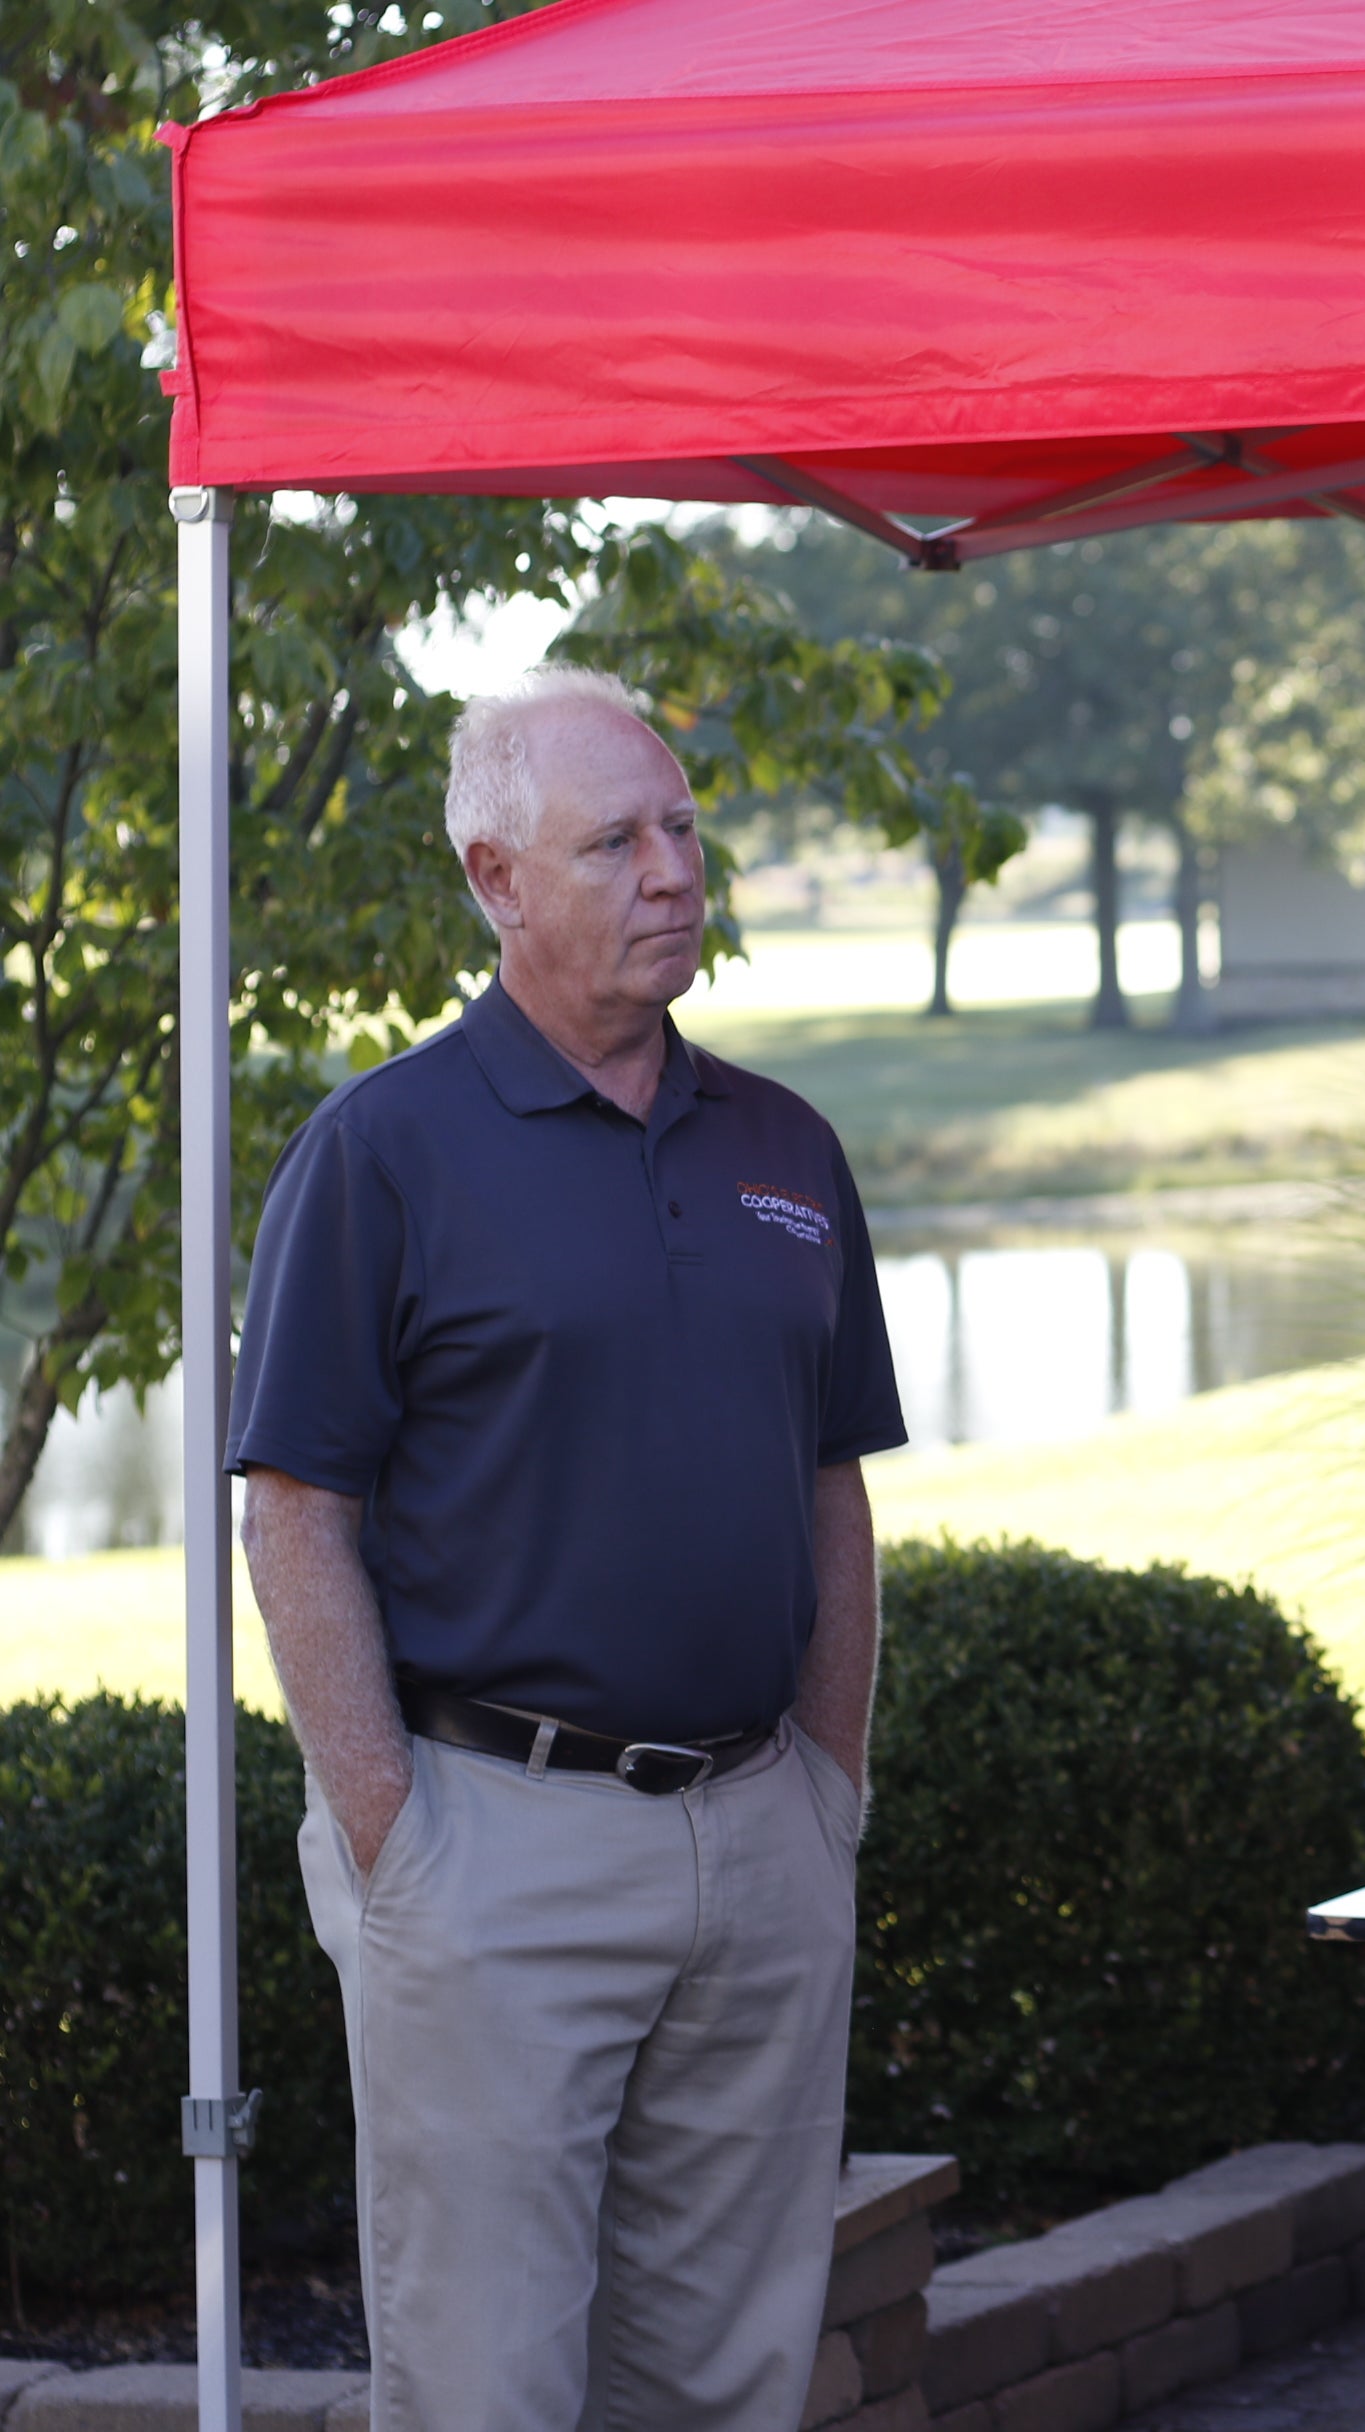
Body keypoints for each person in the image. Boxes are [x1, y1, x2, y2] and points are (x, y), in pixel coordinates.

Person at [232, 664, 905, 2431]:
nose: (676, 870)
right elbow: (296, 1509)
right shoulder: (382, 1151)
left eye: (683, 826)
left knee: (726, 2380)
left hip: (759, 1841)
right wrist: (394, 1836)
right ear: (496, 881)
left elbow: (831, 1483)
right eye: (615, 840)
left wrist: (824, 1794)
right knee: (486, 2386)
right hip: (491, 1849)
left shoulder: (788, 1148)